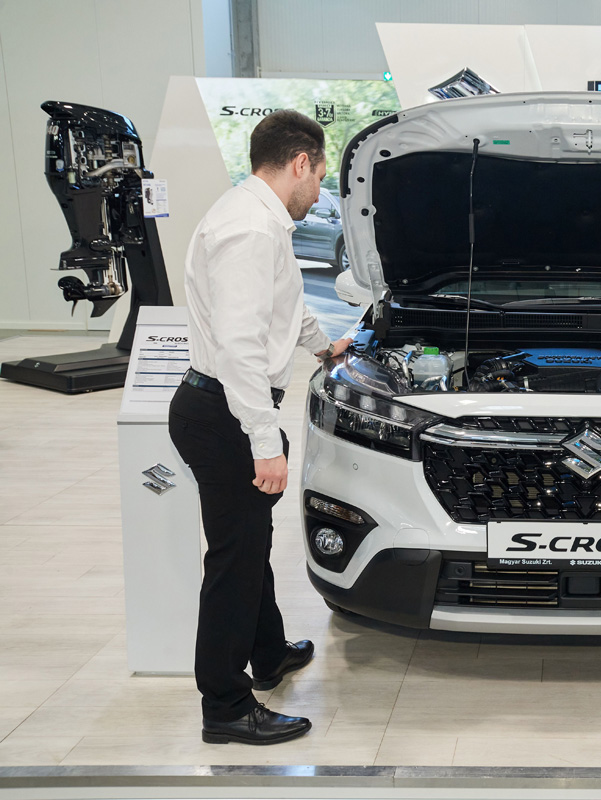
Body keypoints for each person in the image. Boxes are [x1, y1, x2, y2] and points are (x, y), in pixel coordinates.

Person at [168, 109, 352, 745]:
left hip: (226, 407)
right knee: (235, 559)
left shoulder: (259, 219)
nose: (320, 193)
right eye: (320, 177)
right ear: (300, 163)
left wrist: (325, 347)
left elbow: (283, 309)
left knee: (252, 542)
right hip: (225, 412)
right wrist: (264, 441)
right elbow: (241, 347)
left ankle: (268, 653)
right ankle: (224, 705)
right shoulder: (249, 229)